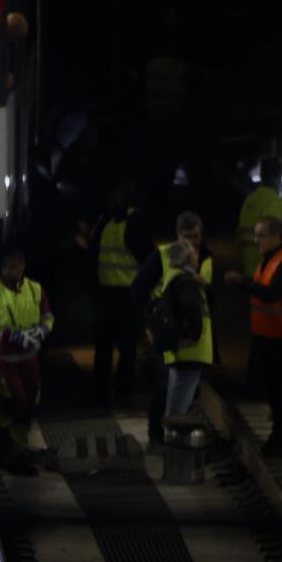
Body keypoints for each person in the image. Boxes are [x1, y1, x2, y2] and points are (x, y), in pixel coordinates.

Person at [226, 215, 282, 457]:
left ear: (276, 236)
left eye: (261, 235)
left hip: (281, 335)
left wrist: (242, 282)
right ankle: (279, 437)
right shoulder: (270, 259)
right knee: (274, 389)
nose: (256, 240)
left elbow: (272, 293)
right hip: (266, 333)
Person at [133, 211, 214, 446]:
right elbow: (138, 290)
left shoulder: (207, 256)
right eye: (186, 236)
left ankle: (169, 436)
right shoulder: (163, 255)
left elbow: (209, 301)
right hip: (168, 330)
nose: (191, 242)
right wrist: (149, 324)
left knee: (179, 389)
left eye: (195, 236)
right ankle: (159, 435)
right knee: (164, 384)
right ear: (177, 235)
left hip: (189, 336)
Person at [0, 246, 54, 475]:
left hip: (27, 359)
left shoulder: (35, 289)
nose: (10, 272)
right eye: (6, 267)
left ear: (23, 266)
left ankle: (7, 448)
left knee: (28, 404)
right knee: (15, 405)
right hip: (1, 360)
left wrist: (41, 331)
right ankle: (10, 452)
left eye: (14, 267)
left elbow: (47, 317)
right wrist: (12, 335)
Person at [91, 180, 154, 405]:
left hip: (117, 295)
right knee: (123, 348)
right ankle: (120, 393)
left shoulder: (110, 222)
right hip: (121, 296)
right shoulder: (124, 222)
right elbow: (150, 260)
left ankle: (109, 393)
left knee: (112, 348)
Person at [155, 240, 213, 418]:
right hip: (190, 350)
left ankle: (171, 437)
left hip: (180, 350)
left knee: (175, 400)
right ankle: (172, 441)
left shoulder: (172, 277)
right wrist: (194, 335)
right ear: (188, 257)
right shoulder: (185, 281)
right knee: (178, 408)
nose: (197, 256)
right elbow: (191, 308)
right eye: (195, 253)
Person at [237, 157, 282, 278]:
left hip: (248, 267)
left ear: (261, 175)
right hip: (267, 270)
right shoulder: (273, 201)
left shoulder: (250, 199)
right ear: (279, 177)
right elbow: (273, 238)